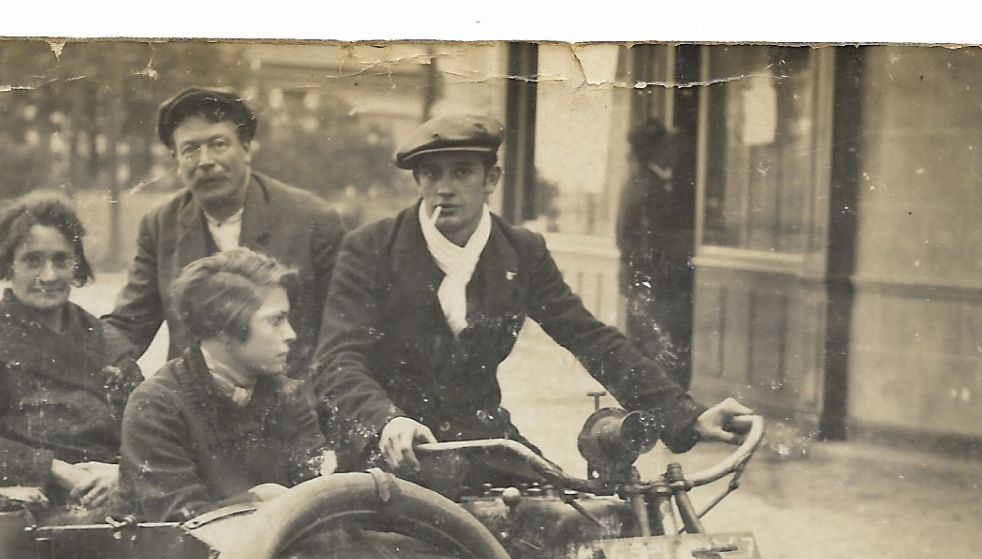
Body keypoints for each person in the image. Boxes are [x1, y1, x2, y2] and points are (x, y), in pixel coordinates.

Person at [312, 113, 750, 474]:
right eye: (431, 173)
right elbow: (337, 360)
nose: (445, 188)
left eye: (462, 171)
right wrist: (387, 421)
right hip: (390, 446)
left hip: (480, 439)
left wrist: (688, 414)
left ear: (491, 178)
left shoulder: (520, 251)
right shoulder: (370, 248)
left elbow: (592, 338)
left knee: (571, 520)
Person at [0, 193, 140, 516]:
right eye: (33, 260)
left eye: (61, 260)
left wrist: (121, 473)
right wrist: (51, 468)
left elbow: (151, 432)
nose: (49, 276)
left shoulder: (107, 343)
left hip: (112, 497)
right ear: (8, 265)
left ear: (76, 266)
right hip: (27, 510)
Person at [103, 87, 346, 377]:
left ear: (246, 148)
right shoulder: (160, 224)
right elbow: (129, 324)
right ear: (175, 159)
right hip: (195, 401)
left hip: (290, 400)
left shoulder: (312, 219)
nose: (205, 160)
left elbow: (342, 332)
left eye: (218, 144)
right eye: (190, 149)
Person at [119, 249, 327, 522]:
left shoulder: (291, 396)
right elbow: (177, 526)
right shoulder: (156, 405)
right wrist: (258, 502)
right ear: (222, 329)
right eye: (275, 320)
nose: (291, 334)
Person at [617, 118, 695, 389]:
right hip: (657, 285)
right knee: (661, 353)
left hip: (643, 283)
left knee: (646, 352)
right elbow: (651, 244)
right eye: (666, 145)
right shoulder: (651, 189)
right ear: (656, 150)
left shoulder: (638, 183)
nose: (672, 151)